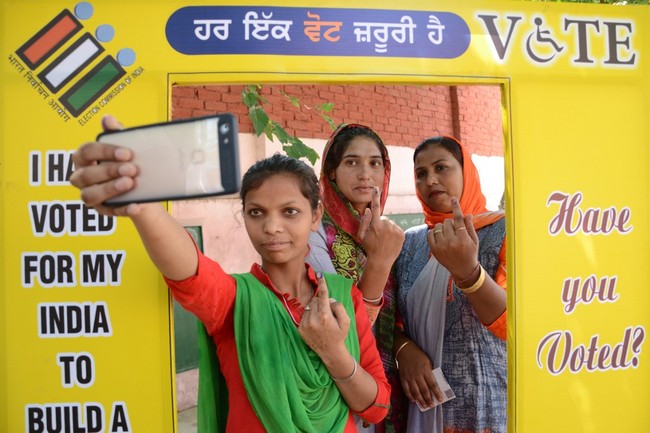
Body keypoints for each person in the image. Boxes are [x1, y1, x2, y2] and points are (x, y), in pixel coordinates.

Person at [70, 115, 391, 433]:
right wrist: (142, 206)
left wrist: (333, 351)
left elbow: (377, 409)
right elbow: (191, 270)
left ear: (315, 215)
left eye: (290, 211)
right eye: (257, 212)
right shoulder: (235, 301)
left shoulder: (344, 295)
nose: (272, 226)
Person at [393, 136, 507, 433]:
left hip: (492, 406)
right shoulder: (409, 245)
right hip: (425, 406)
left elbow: (518, 325)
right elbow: (388, 320)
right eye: (421, 173)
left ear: (466, 171)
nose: (431, 180)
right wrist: (403, 349)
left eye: (441, 167)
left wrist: (469, 273)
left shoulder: (506, 231)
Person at [306, 124, 406, 433]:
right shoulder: (313, 230)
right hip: (330, 376)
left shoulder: (385, 230)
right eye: (352, 162)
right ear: (332, 172)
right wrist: (377, 261)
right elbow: (339, 320)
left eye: (375, 163)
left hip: (380, 372)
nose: (365, 173)